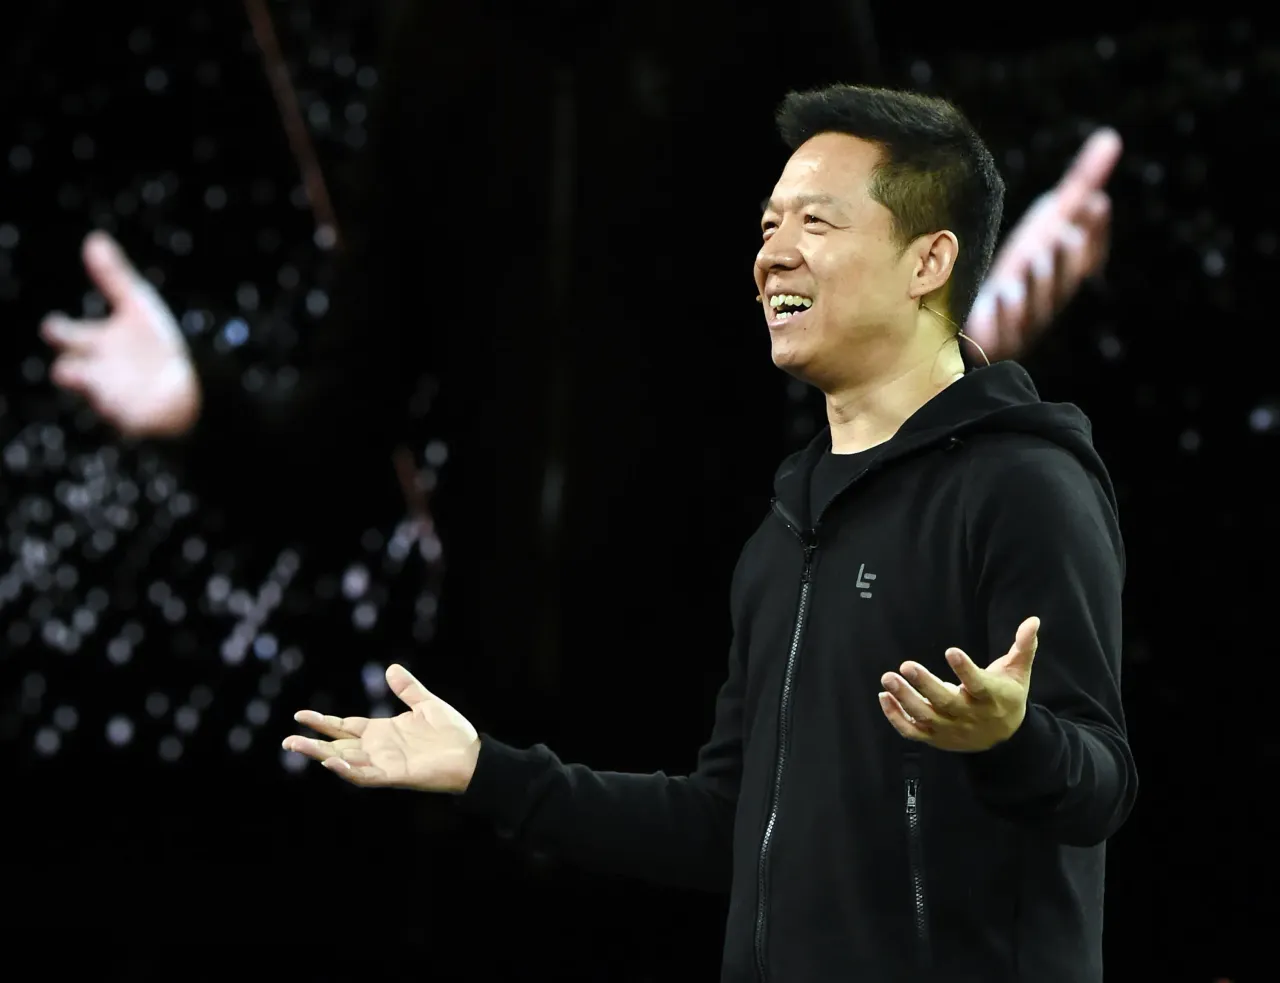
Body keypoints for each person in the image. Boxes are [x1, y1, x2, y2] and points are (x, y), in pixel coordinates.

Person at [280, 84, 1137, 983]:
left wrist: (1013, 738)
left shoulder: (1023, 484)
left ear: (929, 262)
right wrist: (486, 772)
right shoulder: (782, 536)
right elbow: (725, 825)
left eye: (817, 222)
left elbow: (1102, 781)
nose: (774, 255)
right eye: (769, 226)